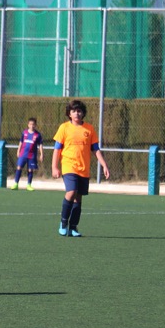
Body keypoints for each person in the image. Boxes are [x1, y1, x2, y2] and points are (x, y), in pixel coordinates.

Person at [51, 100, 110, 237]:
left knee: (78, 198)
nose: (76, 113)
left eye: (79, 111)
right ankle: (63, 222)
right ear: (69, 114)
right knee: (71, 192)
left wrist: (104, 164)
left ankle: (73, 227)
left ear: (83, 113)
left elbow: (95, 149)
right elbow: (57, 149)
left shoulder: (89, 129)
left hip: (84, 168)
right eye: (73, 111)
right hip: (69, 165)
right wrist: (54, 167)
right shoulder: (64, 128)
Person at [12, 117, 43, 191]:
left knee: (30, 170)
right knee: (19, 167)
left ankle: (29, 185)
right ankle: (16, 183)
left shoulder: (37, 135)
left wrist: (41, 154)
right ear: (28, 125)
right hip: (23, 154)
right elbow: (21, 142)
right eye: (30, 124)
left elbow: (40, 145)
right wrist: (18, 150)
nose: (32, 126)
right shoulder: (24, 132)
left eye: (33, 124)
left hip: (32, 155)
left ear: (35, 125)